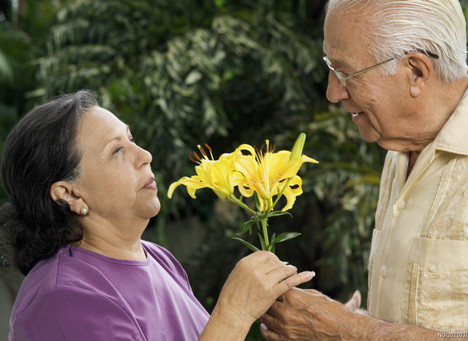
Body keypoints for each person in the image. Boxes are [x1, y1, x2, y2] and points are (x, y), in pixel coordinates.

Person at [260, 0, 468, 340]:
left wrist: (350, 331)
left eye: (346, 72)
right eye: (329, 66)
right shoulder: (401, 145)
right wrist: (335, 325)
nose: (333, 92)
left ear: (417, 73)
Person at [0, 90, 315, 341]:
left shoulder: (157, 258)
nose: (145, 156)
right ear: (69, 194)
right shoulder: (61, 298)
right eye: (116, 151)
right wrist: (232, 315)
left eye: (131, 140)